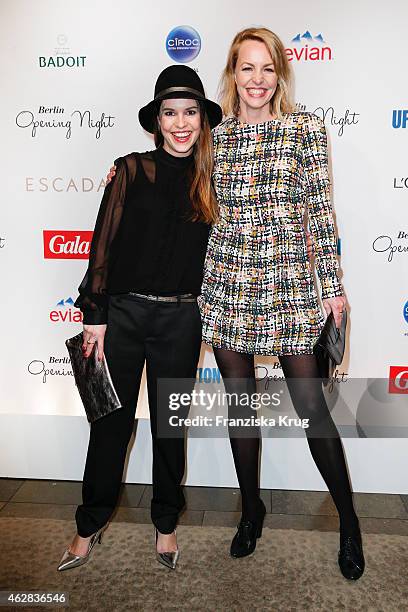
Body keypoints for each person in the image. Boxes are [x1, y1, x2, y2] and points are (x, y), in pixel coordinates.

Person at [197, 28, 365, 580]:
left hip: (290, 283)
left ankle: (348, 521)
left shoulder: (305, 130)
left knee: (312, 408)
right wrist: (121, 174)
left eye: (267, 69)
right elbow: (179, 188)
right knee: (241, 409)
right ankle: (251, 511)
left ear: (280, 75)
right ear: (232, 74)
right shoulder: (213, 138)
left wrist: (333, 289)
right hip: (229, 283)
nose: (257, 80)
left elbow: (320, 215)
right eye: (247, 68)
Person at [57, 65, 222, 572]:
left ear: (202, 120)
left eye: (190, 112)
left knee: (170, 428)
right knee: (110, 425)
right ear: (156, 121)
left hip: (180, 321)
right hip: (122, 317)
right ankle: (89, 526)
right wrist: (94, 314)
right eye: (170, 112)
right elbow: (101, 247)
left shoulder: (216, 177)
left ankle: (167, 524)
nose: (180, 122)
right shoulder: (129, 169)